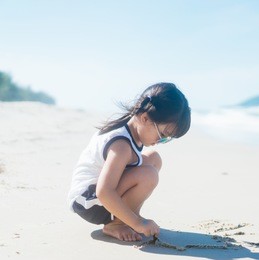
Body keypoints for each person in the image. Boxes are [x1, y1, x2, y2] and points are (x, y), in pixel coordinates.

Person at [67, 82, 191, 241]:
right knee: (148, 175)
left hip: (97, 195)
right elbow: (104, 191)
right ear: (145, 118)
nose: (161, 141)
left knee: (153, 158)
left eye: (167, 139)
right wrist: (139, 223)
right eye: (163, 135)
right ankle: (116, 224)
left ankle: (126, 217)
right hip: (88, 202)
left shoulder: (132, 129)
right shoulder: (121, 146)